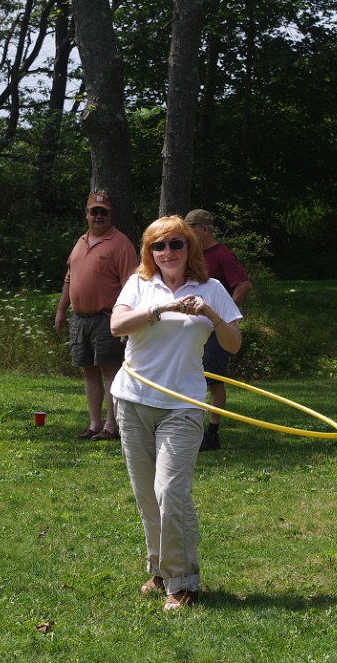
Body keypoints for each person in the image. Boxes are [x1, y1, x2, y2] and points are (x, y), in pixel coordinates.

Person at [109, 215, 242, 612]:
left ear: (189, 248)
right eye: (158, 246)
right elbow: (117, 325)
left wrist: (211, 315)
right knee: (147, 494)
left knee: (170, 491)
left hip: (182, 404)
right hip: (133, 400)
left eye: (176, 244)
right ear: (149, 251)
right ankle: (159, 569)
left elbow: (233, 344)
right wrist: (162, 308)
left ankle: (182, 583)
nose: (167, 252)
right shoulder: (139, 284)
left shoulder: (211, 288)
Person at [55, 192, 137, 441]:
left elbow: (130, 284)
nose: (98, 216)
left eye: (103, 212)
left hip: (107, 317)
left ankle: (111, 426)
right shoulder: (80, 242)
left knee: (110, 370)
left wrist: (126, 320)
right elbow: (69, 279)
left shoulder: (121, 243)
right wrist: (61, 309)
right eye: (94, 211)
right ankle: (94, 424)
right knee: (89, 371)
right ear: (87, 214)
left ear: (110, 215)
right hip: (80, 318)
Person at [184, 209, 252, 451]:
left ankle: (212, 434)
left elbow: (243, 284)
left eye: (190, 229)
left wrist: (224, 314)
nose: (186, 235)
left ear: (203, 230)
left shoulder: (222, 254)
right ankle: (187, 427)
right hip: (193, 330)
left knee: (213, 379)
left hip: (216, 329)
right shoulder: (190, 255)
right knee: (189, 376)